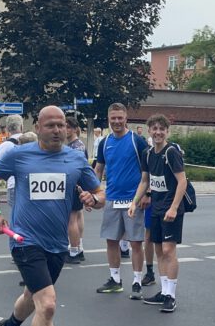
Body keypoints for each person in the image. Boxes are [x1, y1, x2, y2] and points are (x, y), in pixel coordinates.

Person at [0, 106, 104, 326]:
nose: (56, 130)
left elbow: (100, 194)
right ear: (37, 127)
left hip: (57, 244)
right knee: (48, 304)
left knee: (32, 296)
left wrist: (94, 199)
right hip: (25, 242)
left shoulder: (76, 159)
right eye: (49, 125)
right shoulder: (19, 155)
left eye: (61, 125)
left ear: (67, 128)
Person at [128, 114, 186, 312]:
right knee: (159, 250)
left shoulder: (171, 152)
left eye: (162, 129)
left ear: (167, 131)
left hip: (171, 208)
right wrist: (134, 202)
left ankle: (171, 295)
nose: (158, 132)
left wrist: (174, 207)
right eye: (154, 128)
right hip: (156, 207)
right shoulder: (147, 153)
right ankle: (164, 291)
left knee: (169, 251)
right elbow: (145, 180)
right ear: (149, 131)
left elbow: (182, 181)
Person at [94, 103, 149, 298]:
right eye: (113, 118)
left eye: (120, 118)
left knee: (135, 242)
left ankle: (136, 281)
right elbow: (99, 169)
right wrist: (95, 193)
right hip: (112, 198)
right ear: (108, 119)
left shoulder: (137, 141)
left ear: (126, 119)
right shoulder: (105, 142)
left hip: (133, 200)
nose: (116, 121)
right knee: (111, 241)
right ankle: (115, 280)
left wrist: (147, 194)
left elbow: (148, 168)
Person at [64, 116, 89, 264]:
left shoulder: (74, 146)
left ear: (74, 129)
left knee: (71, 219)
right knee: (78, 215)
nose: (65, 130)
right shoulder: (79, 144)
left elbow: (75, 168)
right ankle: (79, 247)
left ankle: (74, 251)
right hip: (80, 185)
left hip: (74, 185)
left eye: (68, 127)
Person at [0, 116, 23, 216]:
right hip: (30, 183)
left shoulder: (5, 145)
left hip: (13, 184)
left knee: (16, 215)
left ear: (8, 129)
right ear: (21, 127)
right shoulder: (32, 141)